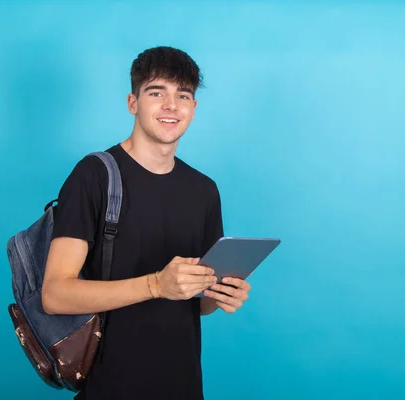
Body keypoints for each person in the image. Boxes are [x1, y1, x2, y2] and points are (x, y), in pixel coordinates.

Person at [41, 46, 252, 400]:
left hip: (183, 385)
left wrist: (220, 295)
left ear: (193, 109)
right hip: (109, 386)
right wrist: (156, 284)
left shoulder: (204, 190)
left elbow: (197, 303)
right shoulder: (94, 176)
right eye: (157, 93)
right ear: (132, 103)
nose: (171, 105)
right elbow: (54, 294)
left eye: (182, 95)